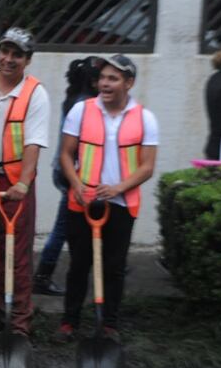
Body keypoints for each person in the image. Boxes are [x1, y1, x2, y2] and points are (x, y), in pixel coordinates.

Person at [56, 54, 158, 342]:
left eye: (113, 78)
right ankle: (69, 322)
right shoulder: (81, 110)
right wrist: (75, 184)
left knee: (114, 268)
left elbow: (148, 166)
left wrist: (118, 188)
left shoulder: (145, 118)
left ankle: (109, 324)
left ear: (129, 83)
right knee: (78, 264)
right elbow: (66, 153)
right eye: (102, 78)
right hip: (83, 201)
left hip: (121, 204)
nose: (104, 83)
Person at [0, 27, 50, 336]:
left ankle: (17, 323)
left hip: (15, 181)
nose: (8, 59)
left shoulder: (34, 93)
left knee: (15, 254)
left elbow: (34, 144)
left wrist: (24, 185)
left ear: (27, 60)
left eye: (17, 54)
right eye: (5, 51)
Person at [34, 56, 102, 297]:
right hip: (73, 174)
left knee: (75, 225)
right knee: (64, 227)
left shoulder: (75, 96)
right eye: (102, 78)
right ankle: (43, 275)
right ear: (94, 81)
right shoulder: (85, 105)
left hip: (64, 171)